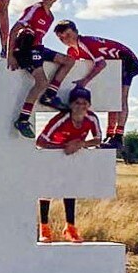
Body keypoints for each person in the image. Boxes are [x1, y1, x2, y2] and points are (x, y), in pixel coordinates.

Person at [54, 21, 138, 150]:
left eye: (68, 35)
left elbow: (101, 64)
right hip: (113, 63)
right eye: (61, 37)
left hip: (125, 59)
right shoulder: (72, 50)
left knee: (120, 98)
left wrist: (84, 81)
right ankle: (110, 134)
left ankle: (118, 136)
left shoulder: (84, 43)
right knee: (112, 99)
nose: (65, 39)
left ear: (76, 32)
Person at [9, 0, 75, 139]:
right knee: (41, 82)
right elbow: (15, 30)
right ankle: (23, 119)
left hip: (38, 48)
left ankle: (50, 95)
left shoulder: (50, 16)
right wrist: (10, 55)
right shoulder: (34, 9)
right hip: (26, 50)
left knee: (69, 61)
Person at [35, 86, 102, 242]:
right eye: (77, 103)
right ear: (71, 105)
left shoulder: (91, 118)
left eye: (84, 103)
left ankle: (70, 228)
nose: (81, 106)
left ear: (89, 105)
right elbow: (40, 141)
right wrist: (64, 147)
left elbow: (98, 139)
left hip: (73, 156)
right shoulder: (61, 119)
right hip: (51, 154)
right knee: (46, 190)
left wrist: (80, 144)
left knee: (70, 188)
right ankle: (44, 228)